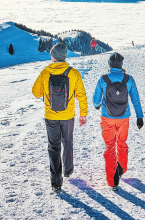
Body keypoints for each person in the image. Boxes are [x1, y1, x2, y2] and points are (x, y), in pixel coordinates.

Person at [32, 42, 88, 192]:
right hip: (68, 115)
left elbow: (36, 92)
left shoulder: (45, 72)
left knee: (54, 146)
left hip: (50, 116)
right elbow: (81, 95)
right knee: (68, 141)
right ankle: (68, 170)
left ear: (54, 57)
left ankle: (56, 181)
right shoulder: (73, 73)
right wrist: (83, 113)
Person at [93, 52, 143, 191]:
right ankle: (121, 168)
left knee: (109, 147)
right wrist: (139, 117)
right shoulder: (129, 79)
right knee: (121, 143)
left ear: (109, 64)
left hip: (107, 118)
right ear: (121, 64)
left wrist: (97, 105)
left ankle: (112, 181)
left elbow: (95, 100)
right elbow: (135, 99)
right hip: (123, 119)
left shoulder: (103, 79)